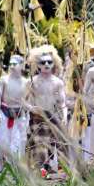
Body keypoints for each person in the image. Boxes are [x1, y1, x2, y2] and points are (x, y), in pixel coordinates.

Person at [27, 45, 67, 174]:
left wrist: (65, 116)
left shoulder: (58, 83)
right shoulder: (32, 82)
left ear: (54, 63)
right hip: (37, 118)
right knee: (39, 146)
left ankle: (47, 168)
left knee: (52, 146)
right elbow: (24, 101)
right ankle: (39, 169)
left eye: (49, 62)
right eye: (43, 62)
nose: (46, 64)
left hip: (53, 118)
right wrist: (31, 108)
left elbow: (62, 103)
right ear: (37, 64)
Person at [0, 54, 31, 170]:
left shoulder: (26, 82)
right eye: (10, 64)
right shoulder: (3, 80)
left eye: (15, 64)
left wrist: (31, 108)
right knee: (2, 142)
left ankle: (14, 168)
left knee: (17, 143)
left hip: (20, 115)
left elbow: (27, 100)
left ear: (21, 65)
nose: (12, 66)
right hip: (4, 114)